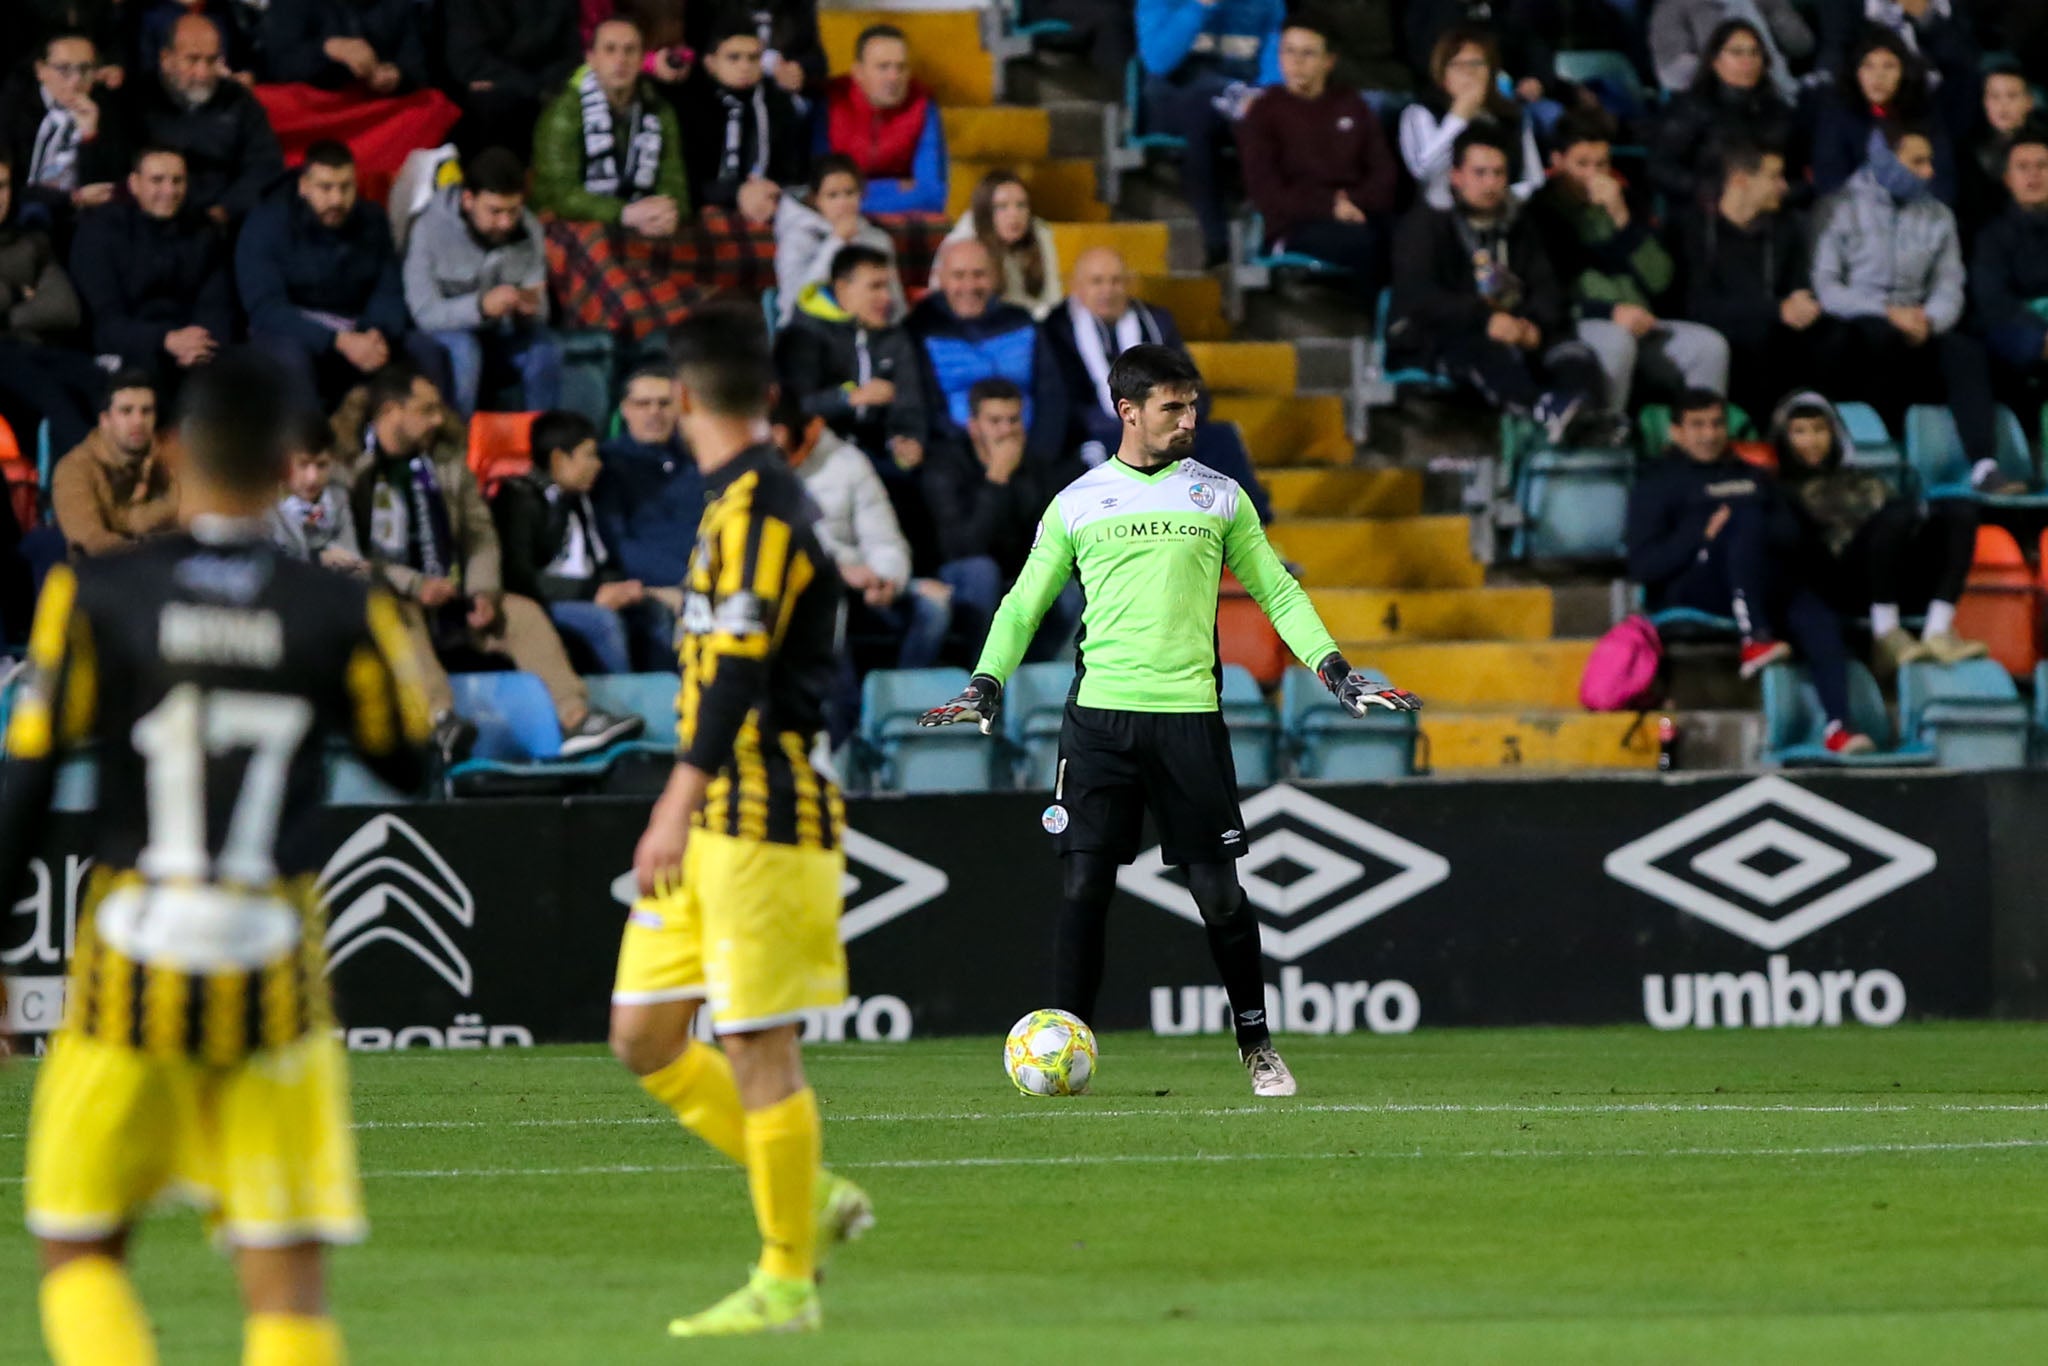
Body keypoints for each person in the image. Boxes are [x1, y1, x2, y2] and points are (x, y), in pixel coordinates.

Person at [0, 352, 430, 1366]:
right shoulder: (336, 608)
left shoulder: (99, 592)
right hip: (272, 958)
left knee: (78, 1242)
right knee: (284, 1282)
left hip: (131, 957)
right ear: (291, 468)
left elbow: (24, 782)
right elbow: (406, 760)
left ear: (180, 452)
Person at [917, 345, 1420, 1097]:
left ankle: (1257, 1046)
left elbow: (1278, 594)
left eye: (1193, 407)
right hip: (1099, 723)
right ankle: (1068, 1048)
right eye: (1172, 409)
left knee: (1219, 894)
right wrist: (988, 679)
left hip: (1189, 719)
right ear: (1129, 412)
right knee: (1084, 884)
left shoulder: (1219, 496)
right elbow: (1022, 603)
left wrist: (1336, 670)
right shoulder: (1080, 501)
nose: (1190, 421)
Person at [609, 307, 874, 1339]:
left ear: (680, 401)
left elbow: (735, 671)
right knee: (642, 1034)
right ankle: (802, 1191)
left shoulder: (763, 507)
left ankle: (785, 1282)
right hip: (715, 812)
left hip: (759, 808)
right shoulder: (731, 506)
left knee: (759, 1045)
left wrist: (673, 795)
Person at [345, 364, 644, 760]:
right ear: (388, 414)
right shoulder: (351, 469)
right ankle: (440, 722)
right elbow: (351, 555)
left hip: (451, 596)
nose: (438, 419)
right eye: (426, 410)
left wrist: (482, 590)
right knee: (398, 615)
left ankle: (576, 718)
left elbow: (479, 534)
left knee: (521, 614)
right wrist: (416, 585)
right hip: (390, 597)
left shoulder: (446, 462)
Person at [1628, 389, 1871, 753]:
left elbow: (1793, 537)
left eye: (1716, 423)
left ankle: (1839, 726)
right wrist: (1701, 534)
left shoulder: (1754, 477)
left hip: (1763, 582)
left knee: (1813, 610)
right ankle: (1753, 634)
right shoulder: (1655, 483)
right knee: (1745, 517)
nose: (1709, 434)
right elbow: (1643, 566)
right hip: (1698, 585)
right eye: (1697, 425)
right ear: (1676, 432)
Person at [1812, 124, 2003, 490]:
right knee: (1872, 337)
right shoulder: (1838, 208)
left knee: (1965, 352)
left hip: (1918, 325)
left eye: (1930, 161)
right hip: (1860, 324)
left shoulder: (1939, 216)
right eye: (1918, 162)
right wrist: (1885, 310)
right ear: (1886, 161)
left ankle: (1983, 462)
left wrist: (1929, 320)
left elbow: (1949, 285)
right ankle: (1879, 455)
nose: (1929, 172)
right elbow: (1827, 287)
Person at [1389, 129, 1608, 444]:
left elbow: (1546, 288)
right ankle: (1543, 412)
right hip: (1442, 333)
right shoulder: (1425, 225)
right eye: (1480, 173)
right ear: (1457, 176)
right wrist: (1485, 318)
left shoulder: (1520, 225)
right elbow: (1418, 297)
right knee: (1486, 351)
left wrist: (1532, 324)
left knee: (1573, 352)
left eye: (1498, 173)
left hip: (1515, 327)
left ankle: (1587, 418)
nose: (1490, 183)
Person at [772, 392, 953, 745]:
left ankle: (895, 720)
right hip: (805, 594)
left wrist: (887, 579)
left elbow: (885, 541)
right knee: (825, 608)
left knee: (934, 607)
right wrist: (839, 569)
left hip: (861, 587)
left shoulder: (847, 463)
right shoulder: (754, 469)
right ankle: (844, 732)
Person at [1044, 245, 1272, 518]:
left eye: (1116, 281)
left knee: (1221, 439)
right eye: (1097, 281)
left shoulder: (1155, 322)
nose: (1108, 290)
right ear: (1076, 287)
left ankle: (1250, 536)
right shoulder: (1056, 329)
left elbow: (1191, 385)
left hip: (1163, 424)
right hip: (1098, 432)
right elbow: (1061, 401)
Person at [1526, 113, 1730, 416]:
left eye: (1601, 164)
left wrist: (1622, 219)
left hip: (1639, 323)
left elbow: (1660, 279)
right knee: (1617, 342)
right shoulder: (1539, 213)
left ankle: (1699, 448)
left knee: (1708, 347)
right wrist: (1610, 312)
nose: (1593, 174)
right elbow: (1548, 296)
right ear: (1557, 161)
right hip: (1577, 326)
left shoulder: (1629, 203)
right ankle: (1607, 438)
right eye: (1582, 164)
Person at [1770, 389, 1985, 671]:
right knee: (1898, 513)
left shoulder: (1863, 478)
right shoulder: (1779, 489)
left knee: (1961, 509)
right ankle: (1886, 633)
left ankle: (1938, 629)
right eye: (1799, 432)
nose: (1811, 441)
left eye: (1819, 429)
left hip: (1895, 578)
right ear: (1784, 438)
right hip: (1839, 587)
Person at [235, 140, 447, 414]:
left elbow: (388, 290)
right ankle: (309, 450)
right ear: (304, 186)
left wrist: (375, 333)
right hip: (294, 331)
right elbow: (265, 308)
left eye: (346, 187)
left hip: (359, 330)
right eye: (325, 188)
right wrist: (338, 341)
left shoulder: (372, 220)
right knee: (291, 358)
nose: (337, 199)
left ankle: (436, 446)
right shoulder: (266, 223)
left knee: (425, 350)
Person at [490, 409, 677, 675]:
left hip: (584, 592)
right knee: (602, 622)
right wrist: (591, 593)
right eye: (589, 455)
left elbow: (598, 560)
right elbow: (520, 578)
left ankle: (666, 701)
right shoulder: (517, 499)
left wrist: (620, 588)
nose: (598, 464)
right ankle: (623, 706)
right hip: (542, 601)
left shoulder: (580, 499)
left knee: (652, 611)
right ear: (558, 459)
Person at [921, 378, 1084, 659]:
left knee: (1069, 586)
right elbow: (963, 548)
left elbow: (1048, 538)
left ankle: (1037, 680)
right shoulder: (944, 466)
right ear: (973, 426)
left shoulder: (1037, 466)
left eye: (1013, 420)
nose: (1006, 431)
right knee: (982, 572)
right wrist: (997, 479)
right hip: (959, 578)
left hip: (1017, 576)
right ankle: (984, 677)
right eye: (995, 421)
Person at [1235, 15, 1396, 300]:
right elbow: (1267, 192)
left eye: (1308, 53)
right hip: (1296, 223)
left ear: (1329, 61)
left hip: (1357, 210)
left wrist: (1351, 202)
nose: (1296, 61)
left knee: (1412, 238)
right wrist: (1330, 206)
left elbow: (1383, 173)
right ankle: (1376, 330)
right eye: (1289, 51)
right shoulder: (1263, 112)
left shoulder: (1352, 104)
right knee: (1365, 244)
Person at [1675, 138, 1834, 418]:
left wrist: (1802, 305)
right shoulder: (1693, 228)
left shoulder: (1786, 228)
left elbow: (1798, 288)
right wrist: (1776, 310)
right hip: (1721, 331)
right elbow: (1696, 306)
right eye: (1773, 176)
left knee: (1831, 334)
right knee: (1757, 337)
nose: (1784, 186)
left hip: (1774, 329)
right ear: (1740, 180)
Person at [403, 146, 561, 419]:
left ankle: (540, 441)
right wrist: (480, 307)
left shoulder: (528, 229)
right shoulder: (428, 229)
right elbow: (423, 313)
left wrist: (530, 307)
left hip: (504, 334)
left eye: (513, 211)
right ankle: (458, 444)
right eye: (495, 211)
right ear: (468, 200)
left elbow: (541, 309)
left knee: (546, 347)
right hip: (445, 336)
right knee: (466, 349)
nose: (505, 222)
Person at [1135, 0, 1284, 266]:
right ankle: (1215, 235)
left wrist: (1268, 95)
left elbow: (1276, 57)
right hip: (1173, 95)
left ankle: (1273, 224)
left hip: (1243, 99)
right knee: (1203, 104)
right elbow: (1158, 61)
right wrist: (1199, 7)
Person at [69, 144, 233, 381]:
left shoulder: (203, 232)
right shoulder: (100, 232)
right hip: (128, 350)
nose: (169, 190)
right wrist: (166, 340)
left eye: (178, 181)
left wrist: (200, 345)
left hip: (193, 349)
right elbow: (105, 323)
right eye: (157, 180)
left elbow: (217, 306)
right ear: (134, 184)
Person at [908, 237, 1069, 467]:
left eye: (979, 275)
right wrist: (982, 456)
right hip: (956, 459)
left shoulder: (1022, 322)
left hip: (1031, 454)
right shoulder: (922, 327)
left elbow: (1052, 395)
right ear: (941, 280)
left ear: (994, 278)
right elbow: (925, 406)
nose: (970, 286)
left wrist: (1038, 455)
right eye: (959, 276)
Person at [531, 17, 690, 239]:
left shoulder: (660, 110)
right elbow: (560, 196)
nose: (620, 59)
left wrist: (667, 211)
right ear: (591, 58)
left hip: (646, 219)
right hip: (579, 222)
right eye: (610, 50)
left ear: (642, 59)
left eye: (630, 50)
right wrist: (624, 213)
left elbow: (675, 183)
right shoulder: (564, 111)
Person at [776, 242, 928, 468]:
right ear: (842, 289)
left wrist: (907, 439)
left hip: (880, 451)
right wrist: (848, 398)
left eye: (887, 286)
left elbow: (909, 398)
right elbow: (793, 406)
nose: (887, 297)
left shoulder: (893, 336)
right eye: (875, 287)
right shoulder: (803, 335)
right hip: (818, 453)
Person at [128, 11, 284, 224]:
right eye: (192, 60)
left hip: (224, 225)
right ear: (166, 59)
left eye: (211, 61)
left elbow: (264, 166)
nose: (202, 73)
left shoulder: (238, 100)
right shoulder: (136, 99)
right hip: (149, 221)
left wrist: (225, 210)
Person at [0, 152, 105, 460]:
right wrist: (19, 294)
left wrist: (9, 313)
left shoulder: (29, 241)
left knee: (97, 379)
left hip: (33, 348)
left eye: (3, 186)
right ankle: (87, 476)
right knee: (50, 393)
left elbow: (64, 309)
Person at [1649, 19, 1800, 212]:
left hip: (1770, 212)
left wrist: (1784, 189)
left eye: (1755, 53)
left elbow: (1799, 174)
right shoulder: (1690, 108)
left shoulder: (1779, 111)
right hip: (1705, 214)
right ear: (1715, 60)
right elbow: (1660, 168)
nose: (1748, 60)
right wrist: (1716, 190)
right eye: (1737, 53)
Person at [677, 13, 808, 226]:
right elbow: (685, 179)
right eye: (734, 57)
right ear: (710, 63)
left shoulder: (779, 104)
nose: (745, 66)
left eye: (753, 58)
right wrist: (737, 193)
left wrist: (772, 192)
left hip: (770, 205)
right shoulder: (690, 105)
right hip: (703, 208)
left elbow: (793, 172)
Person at [1398, 28, 1542, 213]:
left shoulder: (1512, 116)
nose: (1469, 73)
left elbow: (1534, 179)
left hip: (1505, 212)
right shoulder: (1420, 113)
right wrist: (1458, 117)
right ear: (1442, 75)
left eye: (1477, 63)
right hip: (1441, 215)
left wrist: (1499, 195)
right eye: (1458, 65)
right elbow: (1425, 173)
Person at [1811, 26, 1955, 205]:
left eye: (1889, 66)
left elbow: (1942, 180)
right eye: (1868, 66)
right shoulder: (1838, 116)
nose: (1878, 76)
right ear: (1856, 73)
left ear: (1904, 72)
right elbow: (1830, 183)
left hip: (1920, 216)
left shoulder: (1923, 112)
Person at [592, 365, 705, 594]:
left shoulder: (700, 459)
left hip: (712, 575)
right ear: (625, 409)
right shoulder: (606, 464)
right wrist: (687, 579)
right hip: (654, 584)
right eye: (643, 404)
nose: (654, 412)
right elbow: (618, 544)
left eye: (664, 403)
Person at [819, 23, 948, 216]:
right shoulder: (832, 102)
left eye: (901, 67)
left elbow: (932, 196)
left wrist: (849, 196)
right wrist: (894, 187)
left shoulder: (922, 105)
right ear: (858, 73)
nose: (893, 77)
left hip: (892, 220)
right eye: (883, 67)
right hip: (835, 224)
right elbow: (820, 192)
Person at [0, 31, 124, 227]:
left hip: (83, 217)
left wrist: (89, 135)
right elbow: (11, 183)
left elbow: (106, 186)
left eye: (85, 69)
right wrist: (70, 199)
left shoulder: (109, 111)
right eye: (64, 69)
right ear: (41, 70)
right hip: (22, 210)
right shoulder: (13, 107)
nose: (75, 80)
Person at [51, 369, 178, 558]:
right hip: (103, 578)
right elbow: (90, 539)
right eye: (126, 411)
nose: (138, 421)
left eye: (146, 411)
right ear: (105, 420)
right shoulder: (75, 468)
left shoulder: (170, 457)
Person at [773, 154, 905, 325]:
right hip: (808, 333)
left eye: (850, 193)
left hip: (869, 336)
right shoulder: (796, 239)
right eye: (832, 195)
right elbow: (794, 301)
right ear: (816, 199)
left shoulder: (878, 240)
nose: (843, 203)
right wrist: (836, 243)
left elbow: (895, 301)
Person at [442, 0, 581, 160]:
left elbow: (570, 56)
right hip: (495, 103)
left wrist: (537, 87)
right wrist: (529, 86)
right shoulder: (467, 5)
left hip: (548, 89)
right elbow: (468, 60)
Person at [1972, 127, 2048, 393]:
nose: (2034, 175)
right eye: (2023, 167)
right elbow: (1993, 299)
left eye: (2042, 166)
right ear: (2007, 179)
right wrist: (2042, 336)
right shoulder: (1992, 237)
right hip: (2017, 331)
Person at [940, 170, 1062, 320]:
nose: (1014, 214)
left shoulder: (1040, 233)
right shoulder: (966, 239)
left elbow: (1053, 298)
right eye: (1002, 207)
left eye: (1021, 205)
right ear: (986, 212)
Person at [1650, 0, 1813, 98]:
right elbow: (1670, 75)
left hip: (1779, 94)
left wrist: (1775, 13)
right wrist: (1724, 66)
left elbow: (1802, 46)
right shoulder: (1672, 6)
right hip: (1716, 105)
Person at [263, 0, 429, 95]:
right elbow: (274, 66)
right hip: (313, 107)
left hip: (375, 108)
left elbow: (417, 68)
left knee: (434, 105)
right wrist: (326, 50)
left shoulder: (399, 5)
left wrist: (395, 75)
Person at [268, 409, 365, 569]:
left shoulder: (337, 497)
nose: (313, 477)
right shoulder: (267, 503)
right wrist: (318, 559)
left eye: (322, 465)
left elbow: (351, 554)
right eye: (303, 464)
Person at [1960, 63, 2037, 242]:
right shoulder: (1967, 149)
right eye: (1994, 97)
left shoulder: (2042, 146)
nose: (2003, 106)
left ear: (2029, 102)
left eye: (2012, 96)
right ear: (1984, 102)